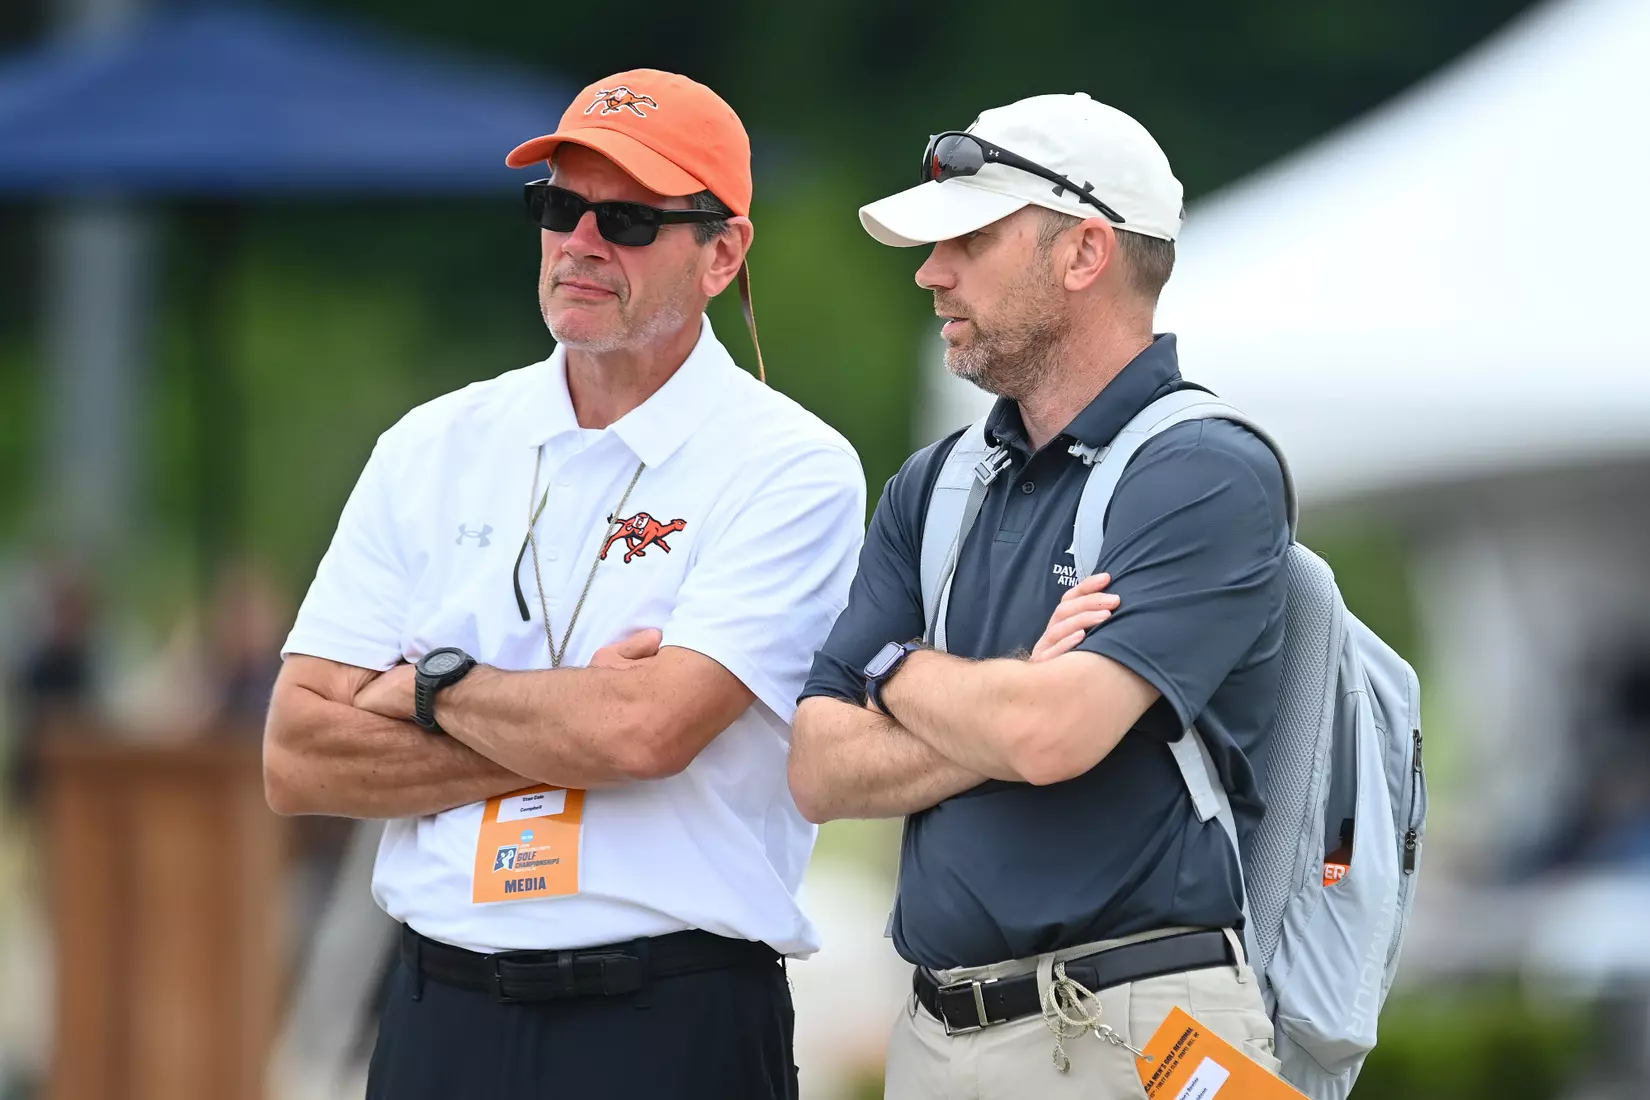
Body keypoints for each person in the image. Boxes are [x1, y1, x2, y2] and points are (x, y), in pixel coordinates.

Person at [265, 69, 865, 1100]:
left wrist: (430, 687)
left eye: (627, 217)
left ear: (722, 253)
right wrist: (570, 716)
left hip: (664, 1015)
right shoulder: (433, 443)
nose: (580, 241)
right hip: (437, 1009)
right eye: (557, 205)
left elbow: (645, 732)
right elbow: (296, 755)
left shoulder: (791, 465)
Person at [789, 92, 1290, 1099]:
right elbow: (814, 768)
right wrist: (1009, 694)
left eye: (969, 238)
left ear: (1084, 253)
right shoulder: (934, 484)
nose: (931, 271)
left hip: (1140, 1034)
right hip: (938, 1032)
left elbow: (1050, 738)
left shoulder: (1207, 467)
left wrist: (892, 667)